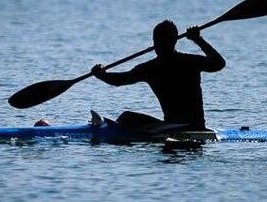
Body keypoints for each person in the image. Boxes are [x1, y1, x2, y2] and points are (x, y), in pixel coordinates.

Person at [91, 20, 226, 130]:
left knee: (126, 118)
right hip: (180, 126)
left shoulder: (155, 68)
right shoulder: (186, 62)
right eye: (155, 41)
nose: (157, 45)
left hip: (187, 126)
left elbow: (219, 64)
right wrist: (102, 75)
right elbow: (121, 80)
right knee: (126, 117)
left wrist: (101, 75)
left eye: (160, 41)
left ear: (172, 41)